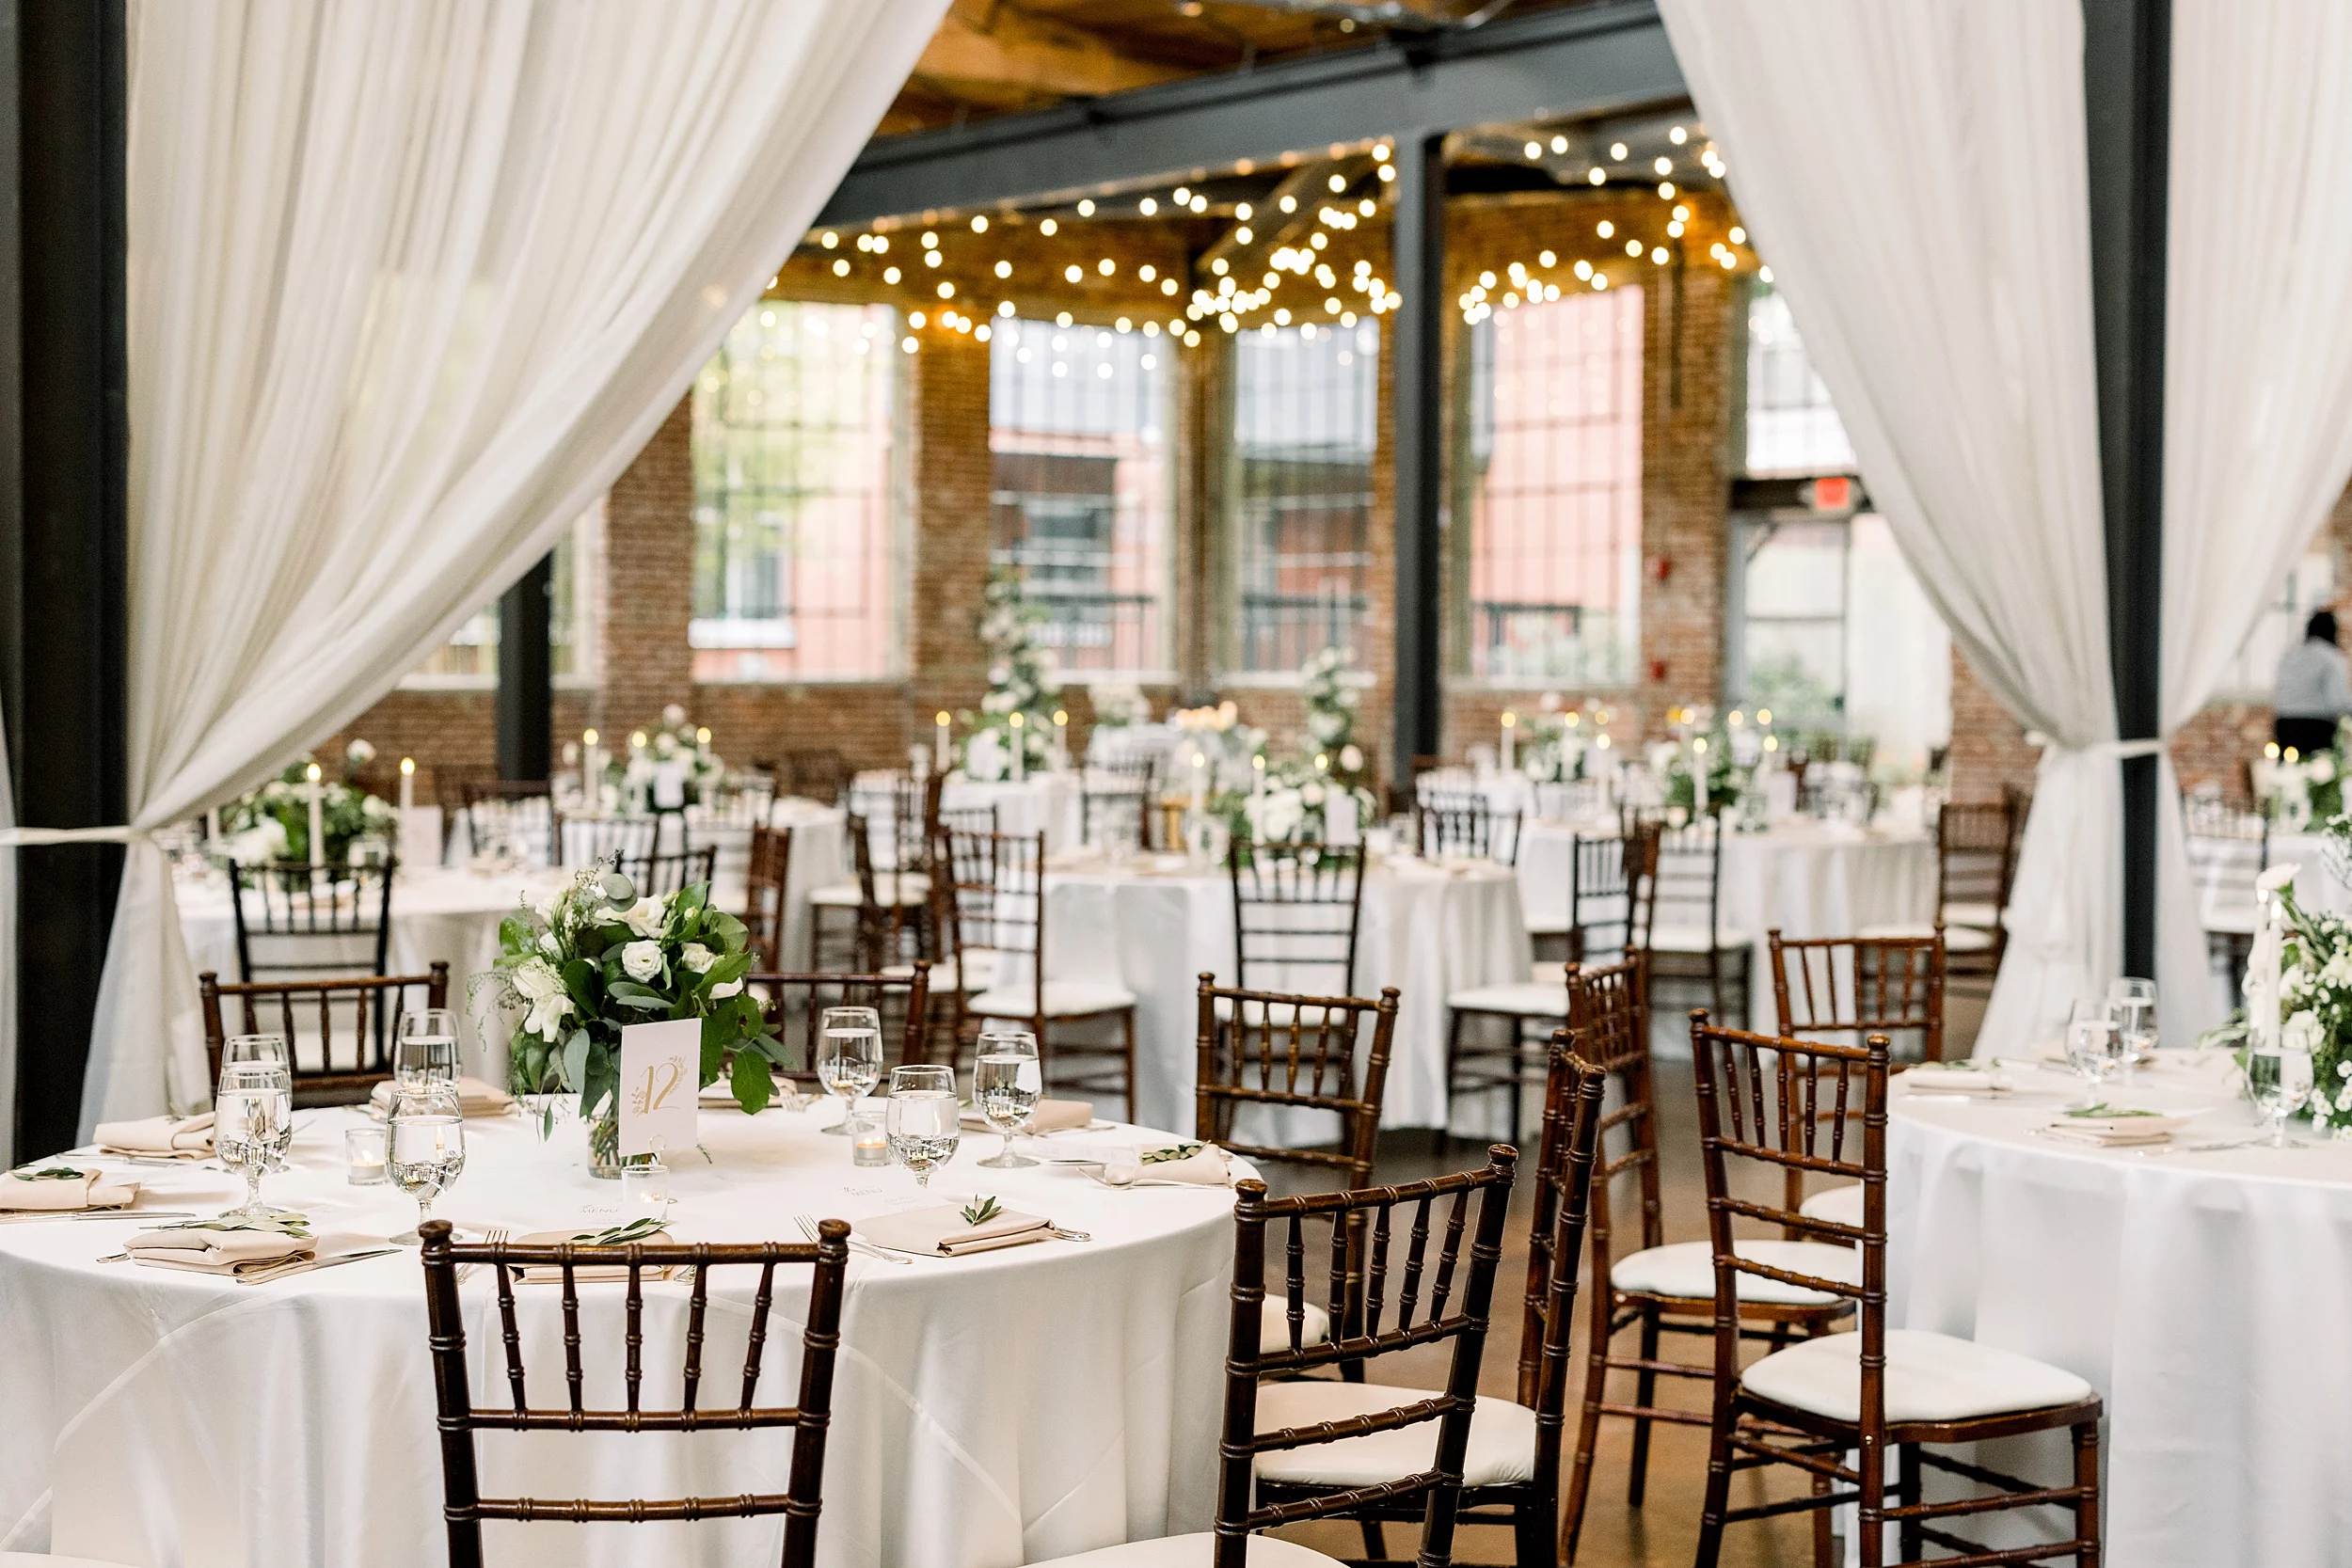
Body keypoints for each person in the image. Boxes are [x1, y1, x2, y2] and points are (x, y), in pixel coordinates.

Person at [2275, 610, 2352, 754]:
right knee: (2318, 773)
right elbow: (2338, 701)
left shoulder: (2290, 655)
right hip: (2317, 727)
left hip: (2285, 724)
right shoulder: (2332, 657)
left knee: (2288, 774)